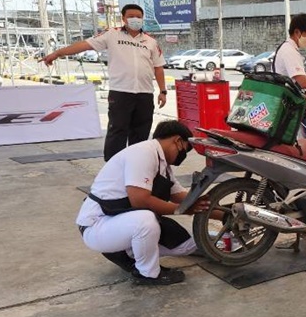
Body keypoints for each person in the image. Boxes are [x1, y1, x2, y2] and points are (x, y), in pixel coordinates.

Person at [76, 120, 211, 286]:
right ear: (177, 141)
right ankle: (147, 273)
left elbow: (184, 198)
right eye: (186, 149)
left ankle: (127, 252)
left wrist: (226, 214)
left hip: (120, 220)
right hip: (99, 224)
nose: (183, 155)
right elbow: (140, 200)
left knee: (188, 245)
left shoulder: (162, 164)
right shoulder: (143, 153)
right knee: (145, 221)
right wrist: (181, 210)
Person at [42, 4, 167, 161]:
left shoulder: (151, 41)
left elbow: (158, 68)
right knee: (117, 131)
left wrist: (163, 91)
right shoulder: (112, 34)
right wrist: (57, 53)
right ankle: (113, 166)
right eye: (131, 16)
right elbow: (84, 45)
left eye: (138, 16)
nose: (135, 19)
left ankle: (137, 164)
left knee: (141, 132)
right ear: (123, 18)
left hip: (145, 94)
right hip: (121, 92)